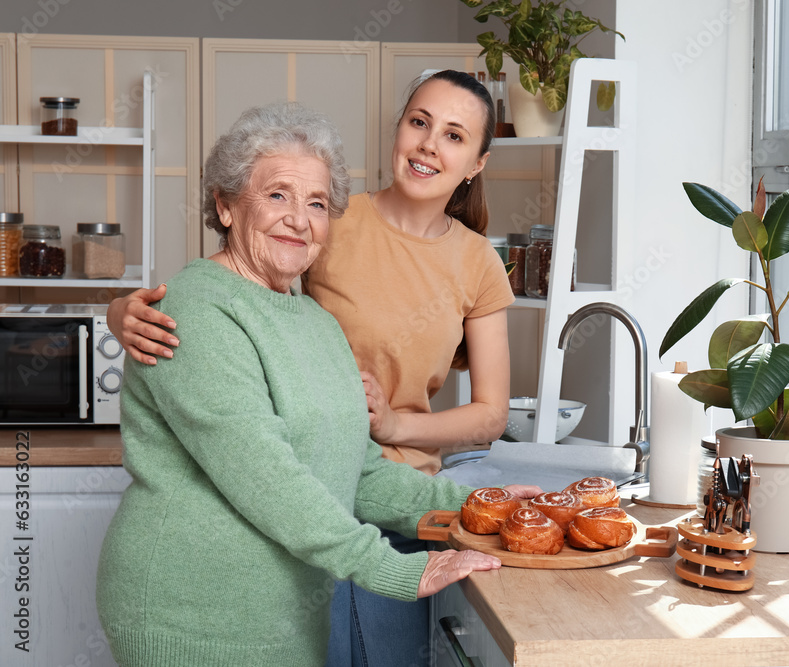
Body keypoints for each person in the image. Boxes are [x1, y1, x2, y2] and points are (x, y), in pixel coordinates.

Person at [96, 100, 538, 667]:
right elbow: (263, 473)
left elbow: (356, 470)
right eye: (277, 194)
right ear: (226, 205)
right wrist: (394, 568)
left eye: (316, 203)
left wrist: (479, 507)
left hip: (285, 617)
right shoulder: (195, 310)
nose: (298, 218)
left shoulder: (316, 322)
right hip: (194, 616)